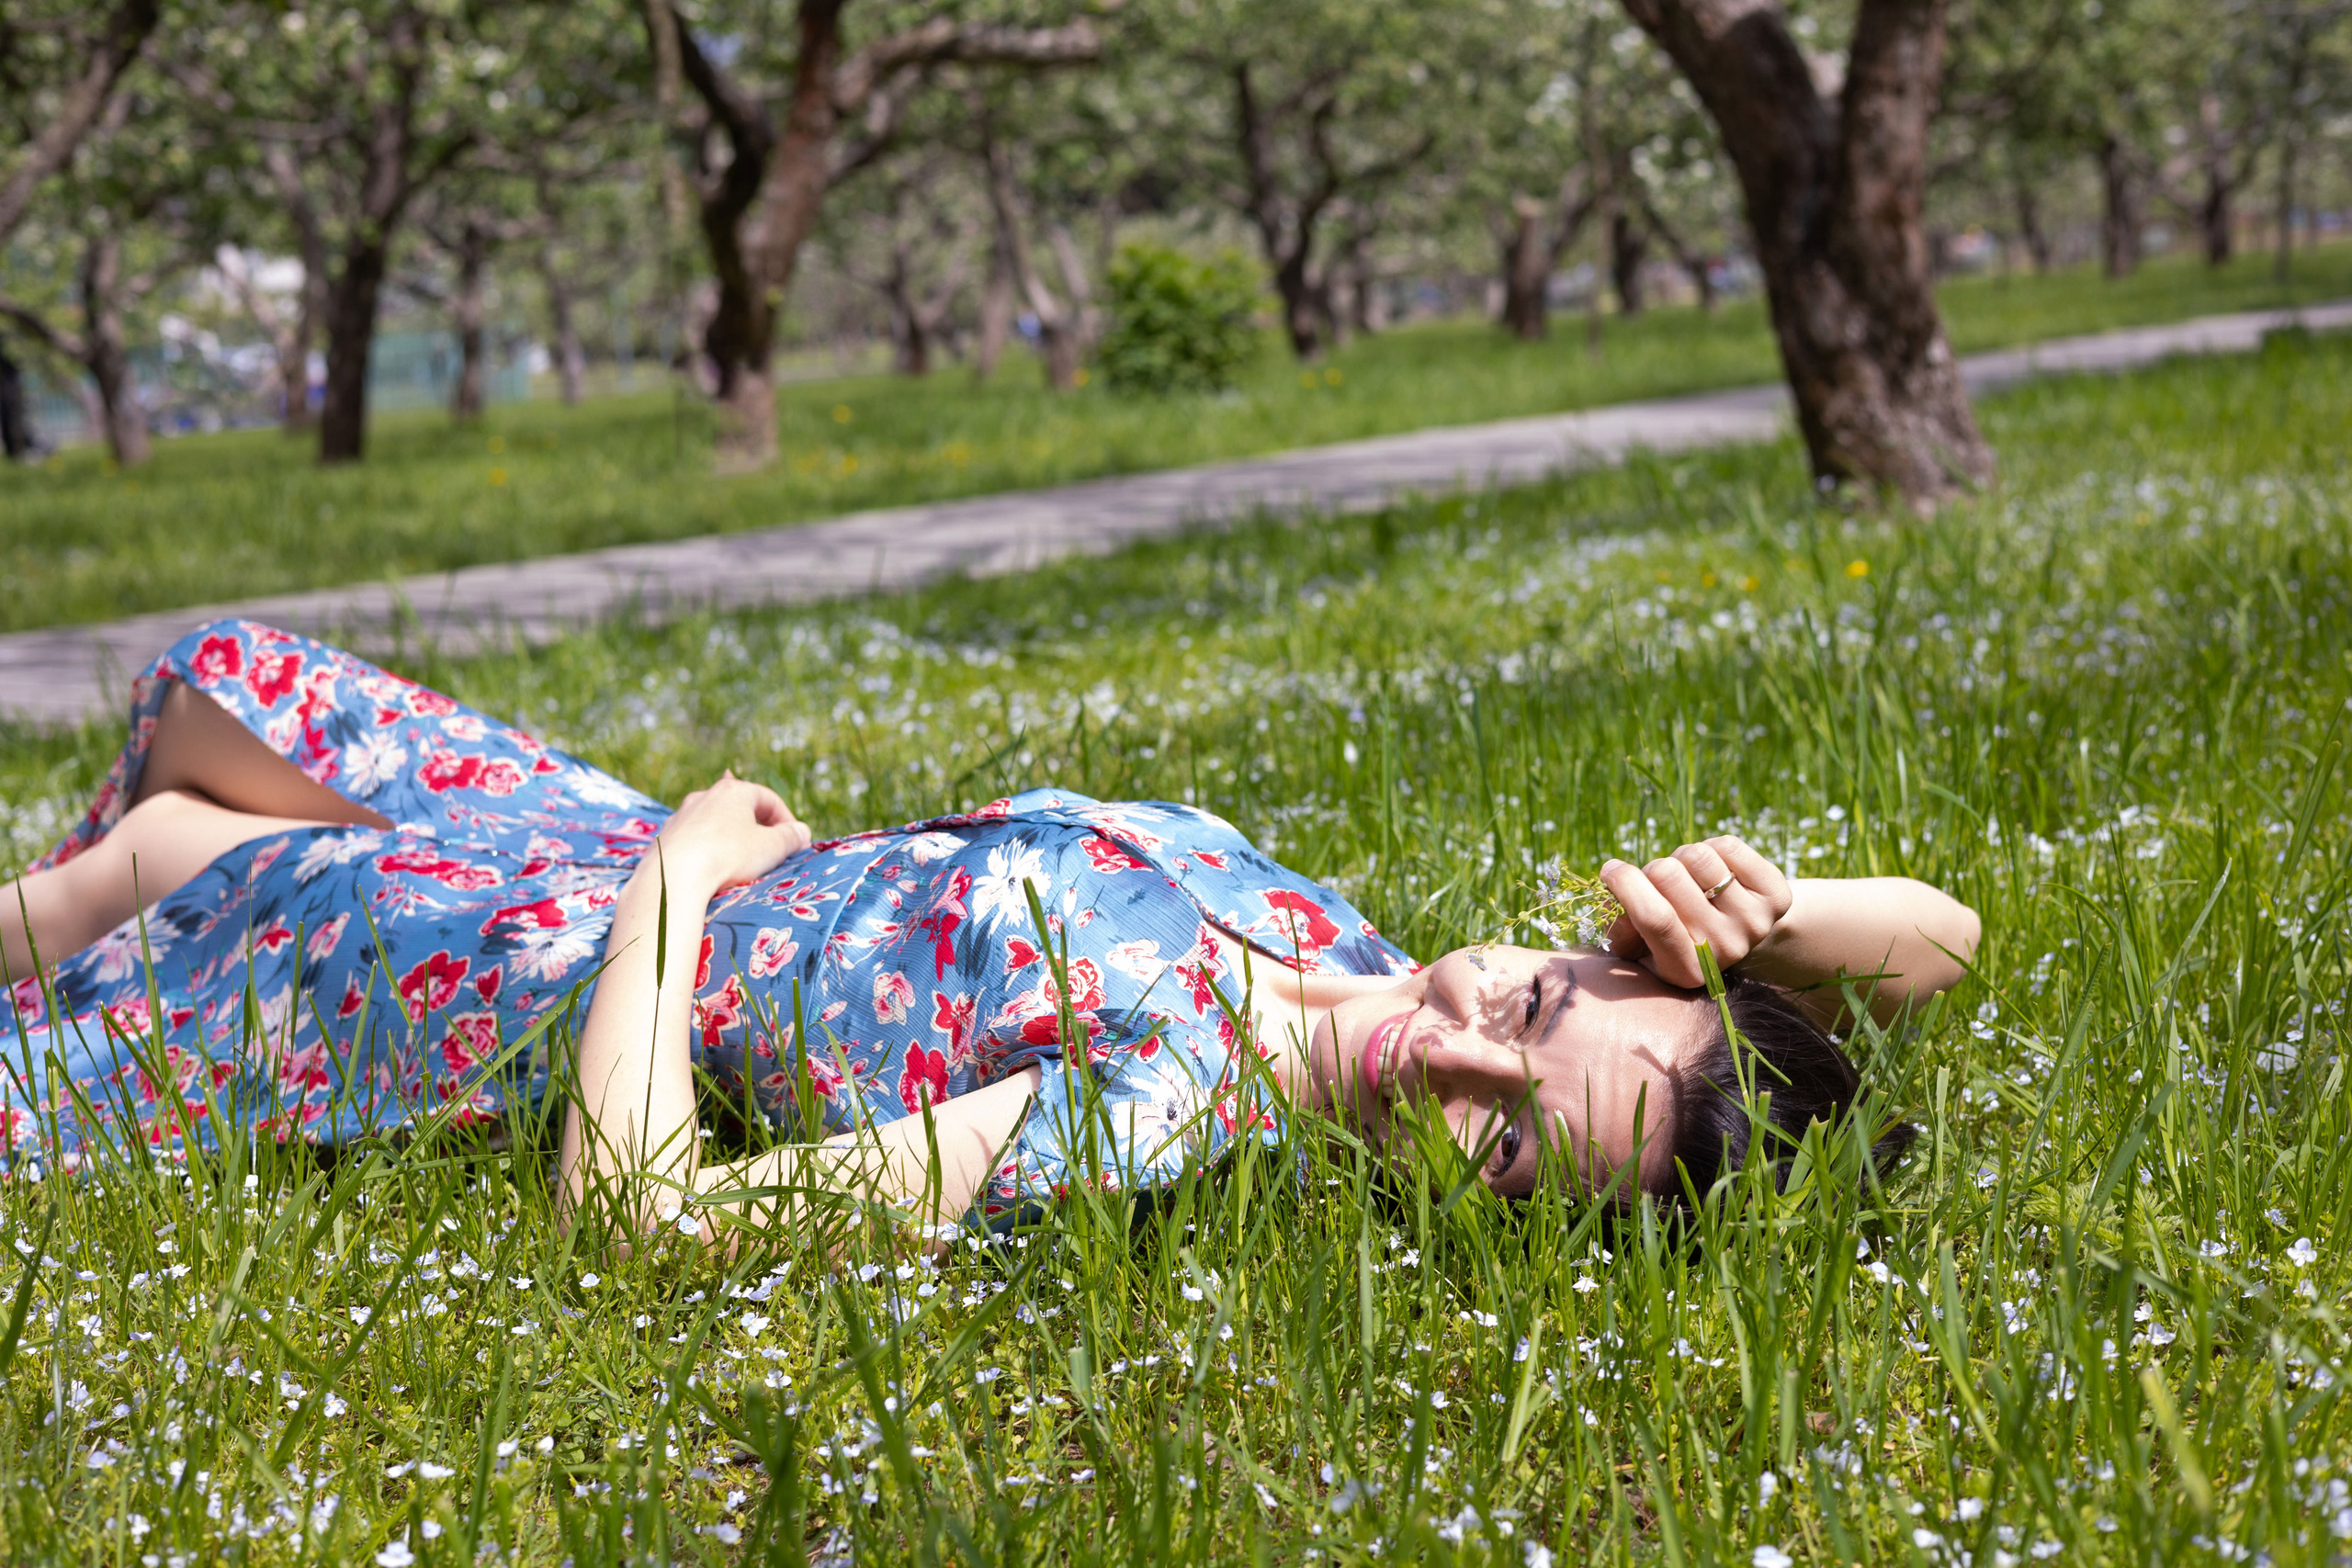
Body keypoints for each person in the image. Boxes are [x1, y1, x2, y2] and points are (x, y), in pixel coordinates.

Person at [2, 619, 1978, 1240]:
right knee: (221, 690)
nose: (1448, 1039)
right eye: (1531, 1000)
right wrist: (1772, 916)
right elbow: (1946, 944)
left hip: (521, 959)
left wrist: (677, 885)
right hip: (592, 839)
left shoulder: (1161, 1109)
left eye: (1508, 1133)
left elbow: (646, 1217)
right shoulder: (1345, 940)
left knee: (165, 863)